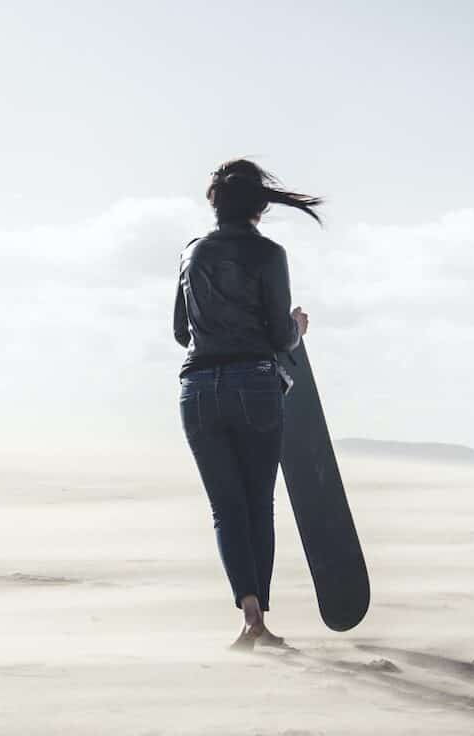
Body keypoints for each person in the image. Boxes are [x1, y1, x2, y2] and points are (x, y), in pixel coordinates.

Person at [172, 158, 323, 650]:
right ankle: (257, 622)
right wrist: (296, 328)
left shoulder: (190, 253)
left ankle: (249, 613)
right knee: (258, 503)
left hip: (196, 391)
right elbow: (280, 335)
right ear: (260, 208)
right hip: (255, 386)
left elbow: (181, 333)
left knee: (225, 509)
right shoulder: (269, 254)